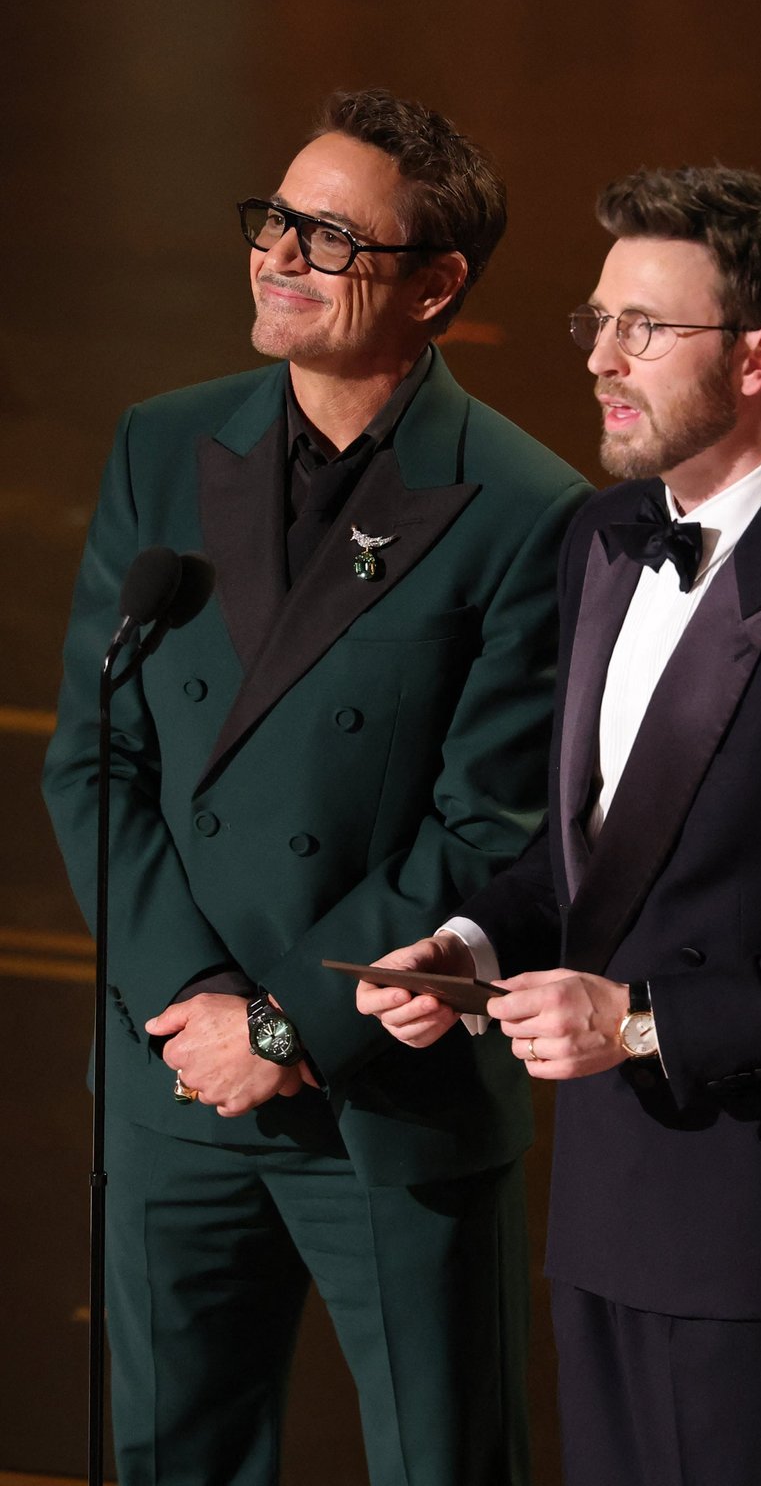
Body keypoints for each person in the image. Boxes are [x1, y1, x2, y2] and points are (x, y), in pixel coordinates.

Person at [357, 165, 761, 1486]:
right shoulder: (607, 538)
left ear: (760, 356)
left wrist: (639, 1020)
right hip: (610, 1213)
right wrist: (471, 942)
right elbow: (592, 851)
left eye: (648, 327)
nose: (602, 358)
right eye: (598, 321)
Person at [42, 87, 590, 1486]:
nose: (279, 255)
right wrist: (198, 1015)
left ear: (437, 286)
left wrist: (282, 1027)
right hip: (177, 1082)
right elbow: (95, 757)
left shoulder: (526, 511)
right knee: (176, 1458)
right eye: (277, 218)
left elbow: (491, 829)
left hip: (379, 1104)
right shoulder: (163, 448)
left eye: (330, 236)